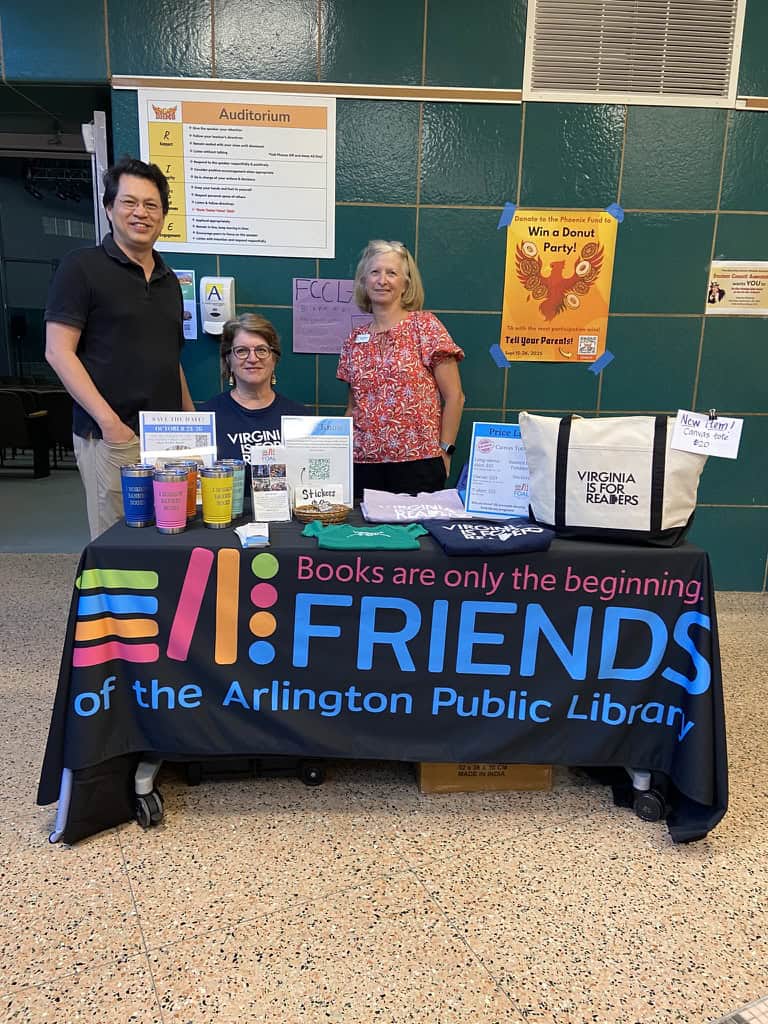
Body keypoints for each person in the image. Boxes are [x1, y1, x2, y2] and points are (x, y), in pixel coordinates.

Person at [45, 156, 194, 539]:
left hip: (168, 440)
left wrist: (192, 423)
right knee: (117, 541)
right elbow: (58, 352)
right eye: (129, 202)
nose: (140, 213)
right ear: (109, 208)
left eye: (151, 205)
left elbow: (169, 358)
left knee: (172, 535)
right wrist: (112, 426)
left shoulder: (169, 282)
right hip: (113, 438)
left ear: (163, 216)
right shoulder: (81, 268)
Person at [337, 239, 465, 499]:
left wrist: (445, 451)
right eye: (375, 272)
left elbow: (455, 397)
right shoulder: (354, 340)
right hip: (362, 465)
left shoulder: (425, 326)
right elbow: (353, 407)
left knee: (415, 539)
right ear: (363, 281)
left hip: (419, 465)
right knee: (367, 537)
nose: (382, 280)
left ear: (406, 283)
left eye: (391, 273)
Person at [199, 313, 308, 461]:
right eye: (242, 351)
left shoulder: (300, 417)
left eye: (261, 350)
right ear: (228, 359)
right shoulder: (208, 418)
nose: (252, 359)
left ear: (274, 359)